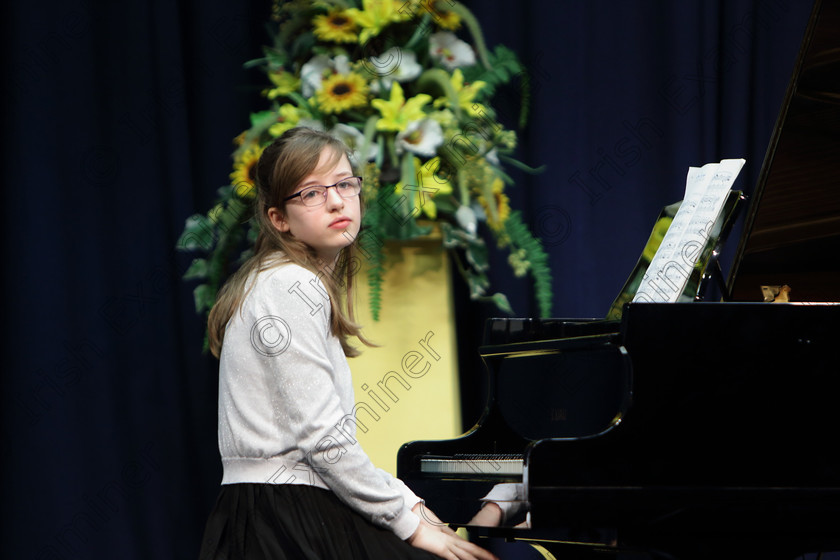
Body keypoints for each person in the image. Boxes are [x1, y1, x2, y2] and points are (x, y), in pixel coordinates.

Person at [199, 127, 498, 560]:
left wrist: (409, 503)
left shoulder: (279, 279)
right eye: (311, 193)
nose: (337, 201)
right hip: (283, 518)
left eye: (343, 184)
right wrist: (410, 522)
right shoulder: (290, 284)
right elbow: (324, 440)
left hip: (278, 507)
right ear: (278, 218)